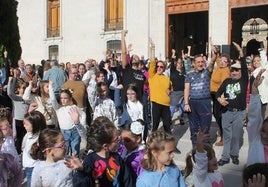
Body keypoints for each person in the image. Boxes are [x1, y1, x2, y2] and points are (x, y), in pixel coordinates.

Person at [64, 116, 133, 187]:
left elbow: (127, 181)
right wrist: (81, 171)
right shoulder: (90, 161)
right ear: (105, 146)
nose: (119, 141)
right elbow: (82, 184)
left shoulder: (117, 158)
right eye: (116, 140)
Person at [216, 43, 248, 166]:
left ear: (240, 71)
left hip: (239, 113)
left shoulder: (243, 80)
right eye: (232, 70)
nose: (234, 72)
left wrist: (240, 51)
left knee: (236, 136)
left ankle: (234, 155)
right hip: (227, 112)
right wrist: (219, 100)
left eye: (236, 70)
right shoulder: (227, 81)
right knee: (227, 136)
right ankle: (225, 157)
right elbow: (218, 93)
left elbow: (244, 66)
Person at [184, 53, 215, 147]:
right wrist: (186, 103)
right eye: (198, 62)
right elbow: (187, 89)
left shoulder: (207, 72)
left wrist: (215, 54)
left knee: (205, 129)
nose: (200, 64)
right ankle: (195, 149)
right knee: (193, 129)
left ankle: (207, 151)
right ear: (193, 64)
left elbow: (212, 63)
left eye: (202, 62)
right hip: (192, 103)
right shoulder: (189, 75)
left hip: (204, 103)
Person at [49, 81, 86, 156]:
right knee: (65, 152)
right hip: (64, 132)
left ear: (70, 98)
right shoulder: (58, 108)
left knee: (75, 153)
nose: (63, 100)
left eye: (65, 98)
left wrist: (82, 124)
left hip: (75, 132)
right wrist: (50, 86)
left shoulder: (74, 107)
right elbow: (53, 100)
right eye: (61, 98)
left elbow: (83, 114)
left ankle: (75, 166)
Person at [148, 39, 173, 134]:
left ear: (164, 68)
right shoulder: (152, 75)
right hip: (156, 104)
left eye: (161, 67)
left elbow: (170, 89)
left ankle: (171, 146)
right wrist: (153, 49)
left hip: (166, 105)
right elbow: (152, 63)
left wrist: (170, 92)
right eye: (157, 66)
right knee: (155, 126)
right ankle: (151, 145)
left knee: (167, 127)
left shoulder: (166, 78)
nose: (159, 68)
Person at [247, 69, 268, 166]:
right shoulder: (256, 140)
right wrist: (254, 87)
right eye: (263, 131)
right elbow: (254, 115)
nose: (264, 136)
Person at [210, 46, 231, 146]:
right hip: (214, 94)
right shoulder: (219, 67)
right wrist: (216, 52)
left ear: (228, 63)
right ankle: (221, 131)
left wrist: (221, 97)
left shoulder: (225, 70)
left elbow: (224, 84)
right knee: (216, 114)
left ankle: (223, 137)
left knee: (218, 116)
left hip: (219, 95)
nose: (222, 62)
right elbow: (217, 59)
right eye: (221, 60)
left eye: (224, 61)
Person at [21, 111, 47, 187]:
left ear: (35, 125)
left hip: (34, 168)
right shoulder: (28, 134)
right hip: (28, 166)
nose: (24, 126)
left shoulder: (40, 138)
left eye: (26, 124)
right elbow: (23, 148)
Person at [7, 76, 29, 154]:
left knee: (26, 136)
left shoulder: (27, 98)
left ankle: (26, 152)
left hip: (26, 120)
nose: (23, 90)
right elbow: (9, 93)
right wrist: (11, 81)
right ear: (18, 89)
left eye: (25, 88)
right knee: (18, 137)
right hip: (18, 120)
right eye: (22, 88)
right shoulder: (16, 98)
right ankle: (18, 153)